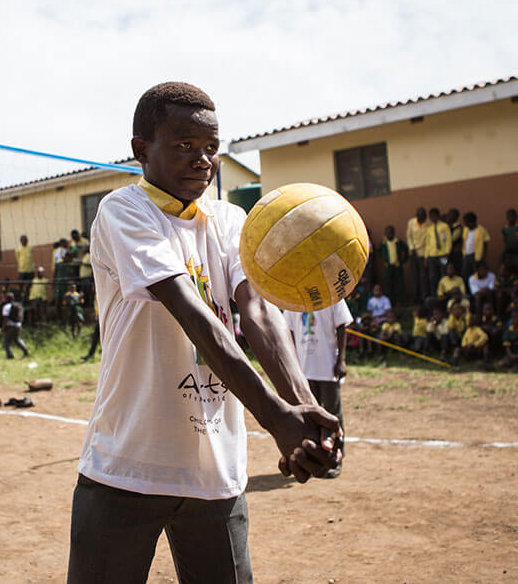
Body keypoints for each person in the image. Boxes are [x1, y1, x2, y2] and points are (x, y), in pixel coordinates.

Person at [68, 82, 340, 583]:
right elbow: (194, 316)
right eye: (184, 146)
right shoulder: (124, 211)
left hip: (215, 476)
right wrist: (276, 417)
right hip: (127, 467)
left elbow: (257, 313)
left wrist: (302, 409)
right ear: (140, 150)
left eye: (211, 148)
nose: (203, 160)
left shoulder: (231, 219)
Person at [283, 299, 353, 478]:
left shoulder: (330, 293)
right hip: (304, 368)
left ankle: (336, 459)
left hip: (326, 365)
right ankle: (315, 460)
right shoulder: (292, 297)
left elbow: (341, 325)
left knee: (332, 414)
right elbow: (287, 331)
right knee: (310, 416)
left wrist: (341, 359)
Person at [424, 207, 452, 302]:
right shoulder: (429, 229)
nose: (433, 218)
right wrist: (426, 257)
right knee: (433, 277)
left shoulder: (444, 226)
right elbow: (427, 243)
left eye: (434, 216)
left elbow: (448, 239)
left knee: (444, 274)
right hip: (432, 256)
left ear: (438, 216)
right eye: (431, 217)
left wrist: (448, 251)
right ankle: (434, 295)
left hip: (443, 255)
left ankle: (444, 294)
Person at [376, 225, 408, 306]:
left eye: (390, 232)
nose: (389, 234)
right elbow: (379, 252)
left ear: (393, 233)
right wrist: (384, 260)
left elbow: (406, 250)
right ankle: (391, 302)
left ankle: (401, 302)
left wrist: (403, 260)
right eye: (387, 232)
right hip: (388, 267)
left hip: (397, 266)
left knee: (400, 284)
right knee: (389, 285)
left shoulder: (398, 242)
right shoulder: (383, 243)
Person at [406, 207, 429, 302]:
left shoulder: (428, 224)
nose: (421, 220)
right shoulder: (411, 223)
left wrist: (426, 256)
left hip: (424, 254)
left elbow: (429, 240)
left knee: (424, 277)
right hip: (413, 254)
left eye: (423, 218)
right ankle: (416, 297)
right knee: (414, 276)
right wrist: (411, 248)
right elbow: (409, 236)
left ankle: (424, 296)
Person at [460, 212, 490, 283]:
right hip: (466, 255)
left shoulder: (481, 230)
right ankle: (467, 292)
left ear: (472, 222)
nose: (464, 223)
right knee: (465, 275)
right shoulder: (465, 229)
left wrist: (483, 257)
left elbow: (485, 244)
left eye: (466, 222)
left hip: (476, 256)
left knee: (476, 275)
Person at [0, 292, 29, 359]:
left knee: (7, 341)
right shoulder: (18, 305)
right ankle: (26, 351)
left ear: (6, 299)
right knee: (17, 340)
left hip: (10, 325)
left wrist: (3, 328)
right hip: (18, 325)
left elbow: (5, 318)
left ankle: (10, 356)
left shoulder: (6, 307)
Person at [500, 209, 518, 276]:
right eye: (509, 216)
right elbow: (504, 240)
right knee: (509, 269)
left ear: (516, 217)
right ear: (506, 217)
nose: (511, 217)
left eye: (513, 216)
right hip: (509, 253)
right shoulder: (504, 228)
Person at [15, 235, 35, 300]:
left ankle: (29, 298)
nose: (25, 241)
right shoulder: (18, 249)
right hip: (22, 270)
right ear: (20, 241)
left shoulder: (31, 248)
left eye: (26, 240)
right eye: (23, 240)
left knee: (29, 286)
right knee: (21, 285)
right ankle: (21, 298)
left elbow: (32, 258)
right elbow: (17, 258)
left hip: (30, 270)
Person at [446, 208, 463, 277]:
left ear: (456, 217)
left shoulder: (458, 228)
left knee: (456, 271)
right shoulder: (446, 227)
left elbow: (451, 240)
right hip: (446, 254)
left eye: (450, 215)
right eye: (448, 215)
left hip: (455, 254)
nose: (448, 217)